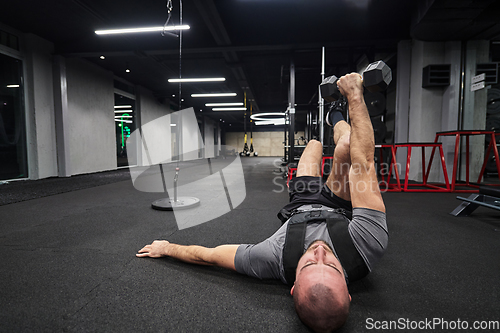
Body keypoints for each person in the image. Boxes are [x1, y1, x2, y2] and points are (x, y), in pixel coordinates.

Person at [137, 73, 388, 333]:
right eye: (333, 266)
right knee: (347, 146)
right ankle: (337, 116)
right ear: (348, 292)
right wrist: (354, 96)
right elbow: (364, 162)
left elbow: (210, 256)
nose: (320, 253)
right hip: (339, 204)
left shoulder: (272, 259)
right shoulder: (366, 245)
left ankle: (333, 115)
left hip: (302, 202)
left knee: (313, 144)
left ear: (293, 286)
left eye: (310, 263)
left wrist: (166, 247)